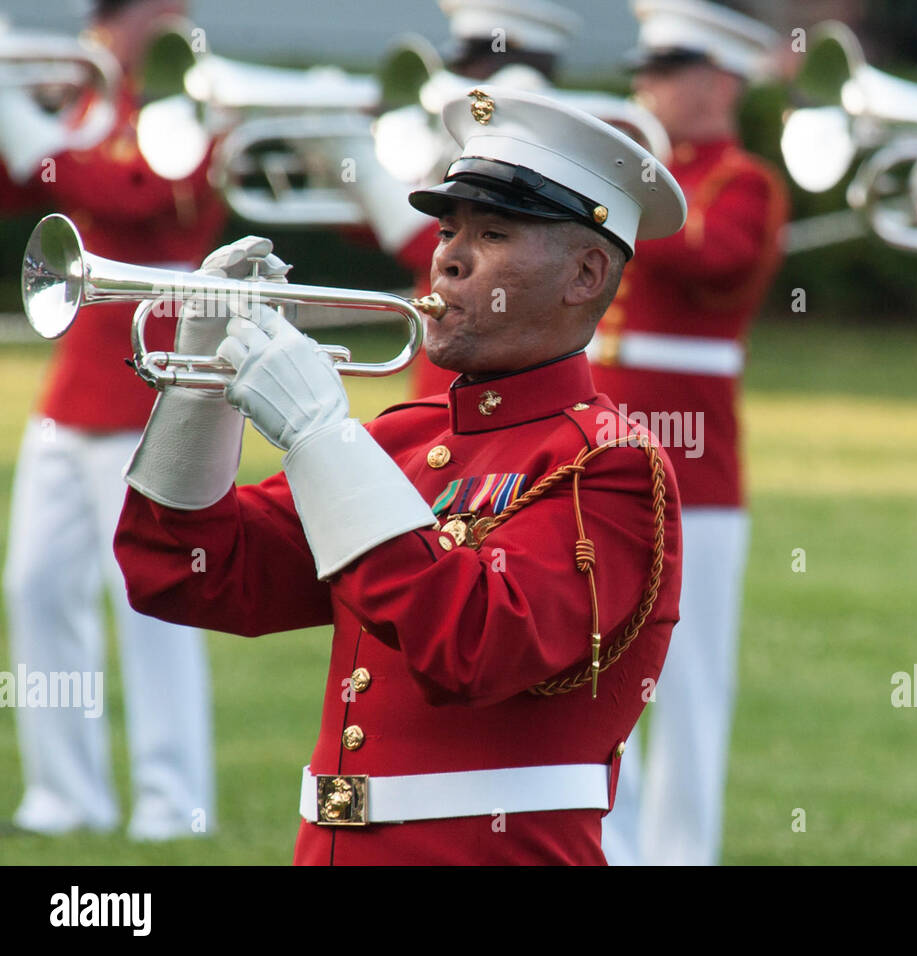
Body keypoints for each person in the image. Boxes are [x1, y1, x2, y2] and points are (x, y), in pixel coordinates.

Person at [113, 86, 688, 865]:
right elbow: (188, 574)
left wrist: (321, 438)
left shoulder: (608, 467)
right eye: (448, 228)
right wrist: (199, 389)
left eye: (492, 233)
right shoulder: (406, 442)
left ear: (586, 273)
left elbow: (476, 645)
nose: (447, 255)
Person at [2, 0, 224, 840]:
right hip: (78, 384)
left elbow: (140, 192)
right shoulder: (92, 103)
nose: (99, 26)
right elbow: (25, 192)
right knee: (35, 583)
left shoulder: (184, 98)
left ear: (167, 13)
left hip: (154, 373)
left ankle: (174, 805)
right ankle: (64, 796)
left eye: (117, 10)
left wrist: (26, 120)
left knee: (153, 603)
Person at [595, 0, 788, 867]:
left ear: (719, 81)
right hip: (602, 455)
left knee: (691, 683)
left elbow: (712, 258)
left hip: (697, 470)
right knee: (597, 670)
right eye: (645, 69)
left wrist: (611, 188)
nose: (644, 85)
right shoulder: (639, 176)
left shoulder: (740, 182)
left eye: (665, 71)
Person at [326, 0, 582, 401]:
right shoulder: (463, 133)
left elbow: (426, 241)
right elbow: (369, 232)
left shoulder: (529, 138)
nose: (459, 78)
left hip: (492, 353)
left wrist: (355, 160)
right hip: (446, 350)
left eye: (474, 63)